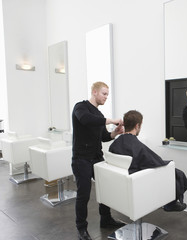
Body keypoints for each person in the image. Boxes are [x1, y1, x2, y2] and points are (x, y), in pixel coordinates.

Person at [71, 82, 125, 240]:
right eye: (104, 94)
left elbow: (103, 137)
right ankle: (81, 228)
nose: (106, 97)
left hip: (96, 157)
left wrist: (115, 133)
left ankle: (106, 219)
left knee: (105, 188)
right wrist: (112, 120)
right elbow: (86, 120)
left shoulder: (100, 116)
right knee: (84, 194)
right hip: (81, 159)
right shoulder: (80, 107)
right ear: (94, 92)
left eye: (107, 94)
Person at [109, 110, 187, 211]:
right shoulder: (138, 147)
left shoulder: (115, 143)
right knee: (177, 173)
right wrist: (168, 164)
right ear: (137, 126)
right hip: (138, 183)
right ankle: (170, 204)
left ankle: (170, 203)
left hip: (121, 184)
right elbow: (156, 162)